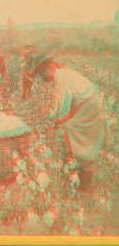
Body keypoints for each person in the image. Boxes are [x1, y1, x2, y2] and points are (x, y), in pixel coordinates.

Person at [31, 51, 107, 193]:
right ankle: (81, 173)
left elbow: (67, 107)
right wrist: (52, 116)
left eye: (40, 72)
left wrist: (54, 120)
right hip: (87, 103)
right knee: (78, 138)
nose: (40, 77)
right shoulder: (59, 75)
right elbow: (61, 104)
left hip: (87, 106)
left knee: (76, 136)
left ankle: (83, 177)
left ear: (46, 67)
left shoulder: (61, 79)